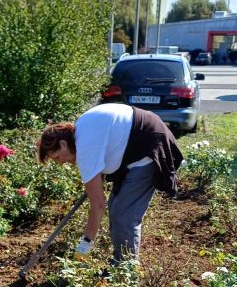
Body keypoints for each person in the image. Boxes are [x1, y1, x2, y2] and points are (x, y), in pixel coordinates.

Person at [37, 103, 183, 263]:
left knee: (123, 214)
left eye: (58, 157)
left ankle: (126, 269)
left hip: (148, 145)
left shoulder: (85, 148)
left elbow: (98, 205)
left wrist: (85, 246)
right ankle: (120, 262)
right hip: (140, 140)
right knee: (116, 207)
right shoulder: (82, 133)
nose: (62, 162)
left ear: (63, 144)